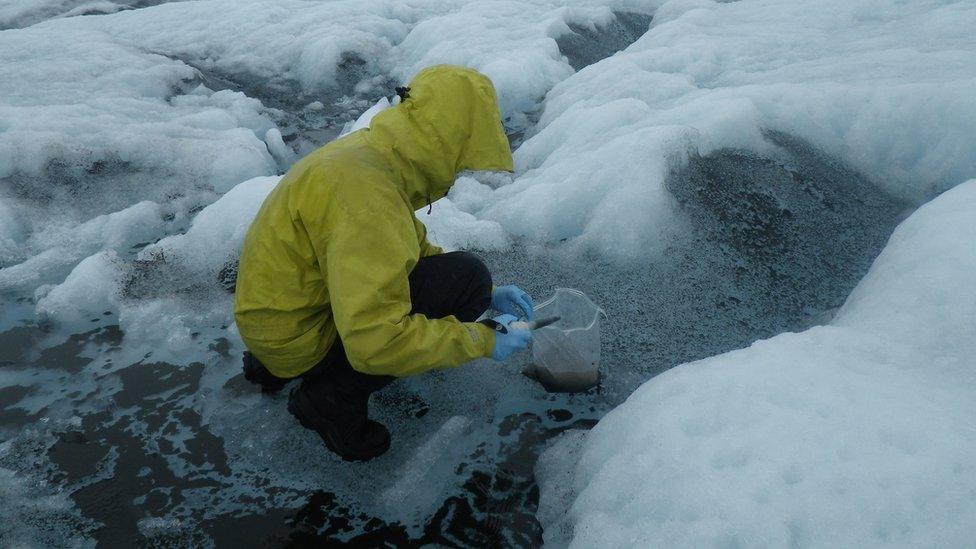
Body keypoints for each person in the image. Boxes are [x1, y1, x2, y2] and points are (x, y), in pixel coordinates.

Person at [233, 65, 534, 462]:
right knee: (465, 281)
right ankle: (328, 398)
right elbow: (375, 343)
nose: (461, 169)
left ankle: (275, 367)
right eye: (463, 154)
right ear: (447, 141)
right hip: (295, 337)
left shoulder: (370, 156)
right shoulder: (368, 199)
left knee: (470, 281)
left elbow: (404, 249)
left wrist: (490, 296)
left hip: (275, 315)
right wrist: (481, 340)